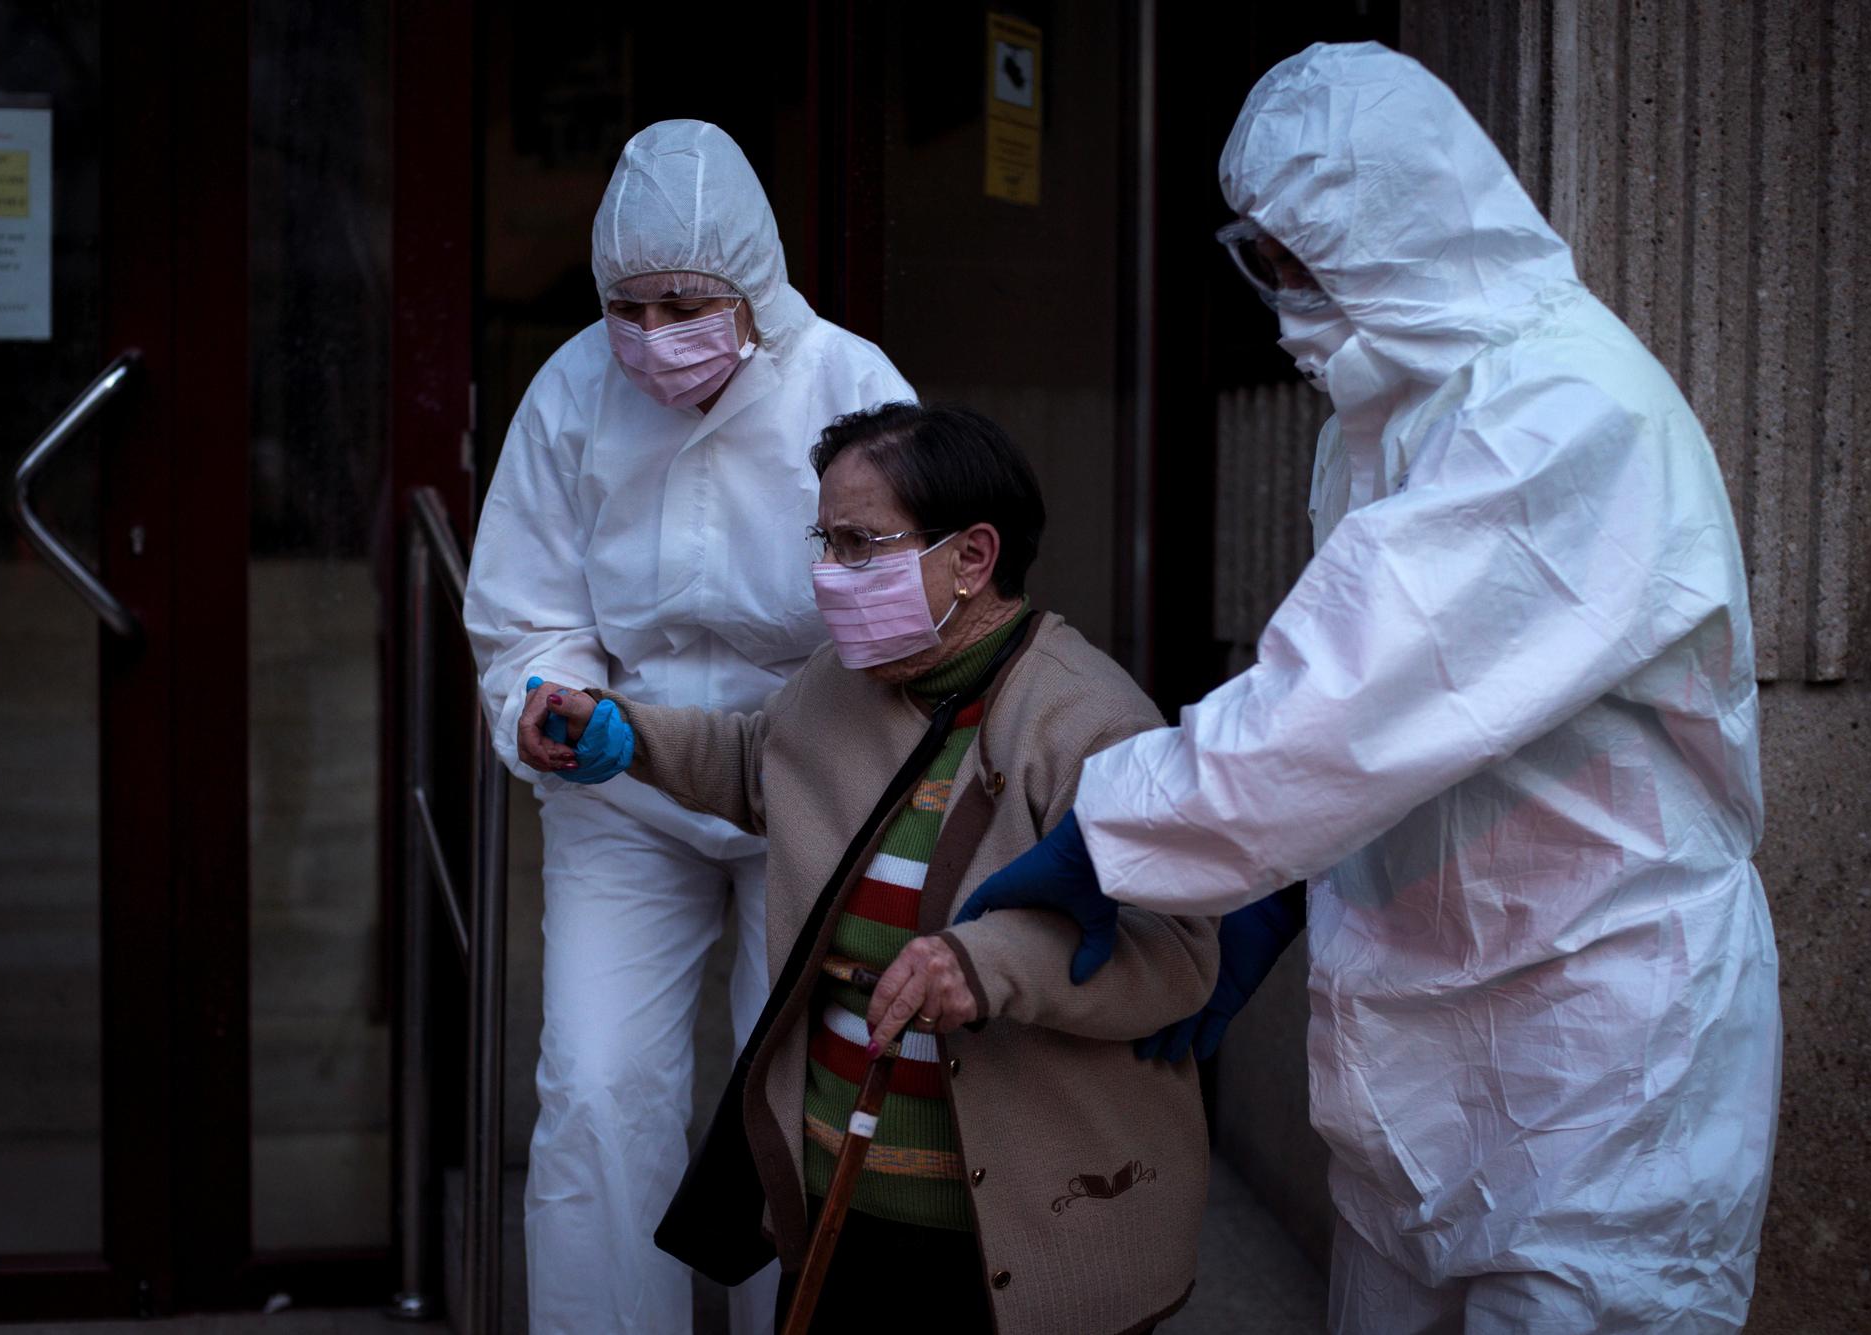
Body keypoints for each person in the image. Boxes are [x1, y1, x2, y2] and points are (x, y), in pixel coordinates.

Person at [959, 42, 1781, 1333]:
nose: (1289, 310)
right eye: (1270, 268)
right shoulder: (1397, 413)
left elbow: (1336, 702)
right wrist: (1280, 888)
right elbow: (1398, 733)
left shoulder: (1565, 415)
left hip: (1605, 1061)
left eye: (1308, 269)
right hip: (1430, 1043)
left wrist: (1110, 833)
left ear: (1408, 225)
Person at [531, 403, 1217, 1335]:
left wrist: (988, 964)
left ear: (973, 558)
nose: (830, 576)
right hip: (841, 1205)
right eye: (826, 541)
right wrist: (624, 732)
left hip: (1014, 1237)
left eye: (861, 545)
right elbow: (758, 763)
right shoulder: (839, 684)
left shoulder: (1090, 721)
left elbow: (1173, 950)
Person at [462, 119, 913, 1335]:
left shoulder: (852, 387)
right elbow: (525, 609)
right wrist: (550, 706)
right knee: (598, 1086)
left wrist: (844, 746)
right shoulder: (569, 391)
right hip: (631, 784)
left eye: (687, 302)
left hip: (811, 785)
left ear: (754, 288)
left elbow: (913, 613)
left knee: (802, 1097)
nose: (654, 336)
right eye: (630, 304)